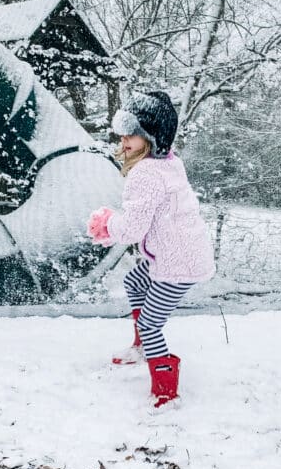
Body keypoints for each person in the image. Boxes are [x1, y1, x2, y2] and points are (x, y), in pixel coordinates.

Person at [87, 90, 215, 407]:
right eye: (124, 133)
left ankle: (166, 391)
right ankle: (142, 348)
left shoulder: (145, 173)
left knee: (150, 323)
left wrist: (107, 223)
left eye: (133, 134)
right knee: (134, 281)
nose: (125, 139)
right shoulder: (168, 162)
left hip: (177, 263)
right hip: (175, 252)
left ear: (152, 136)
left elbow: (132, 228)